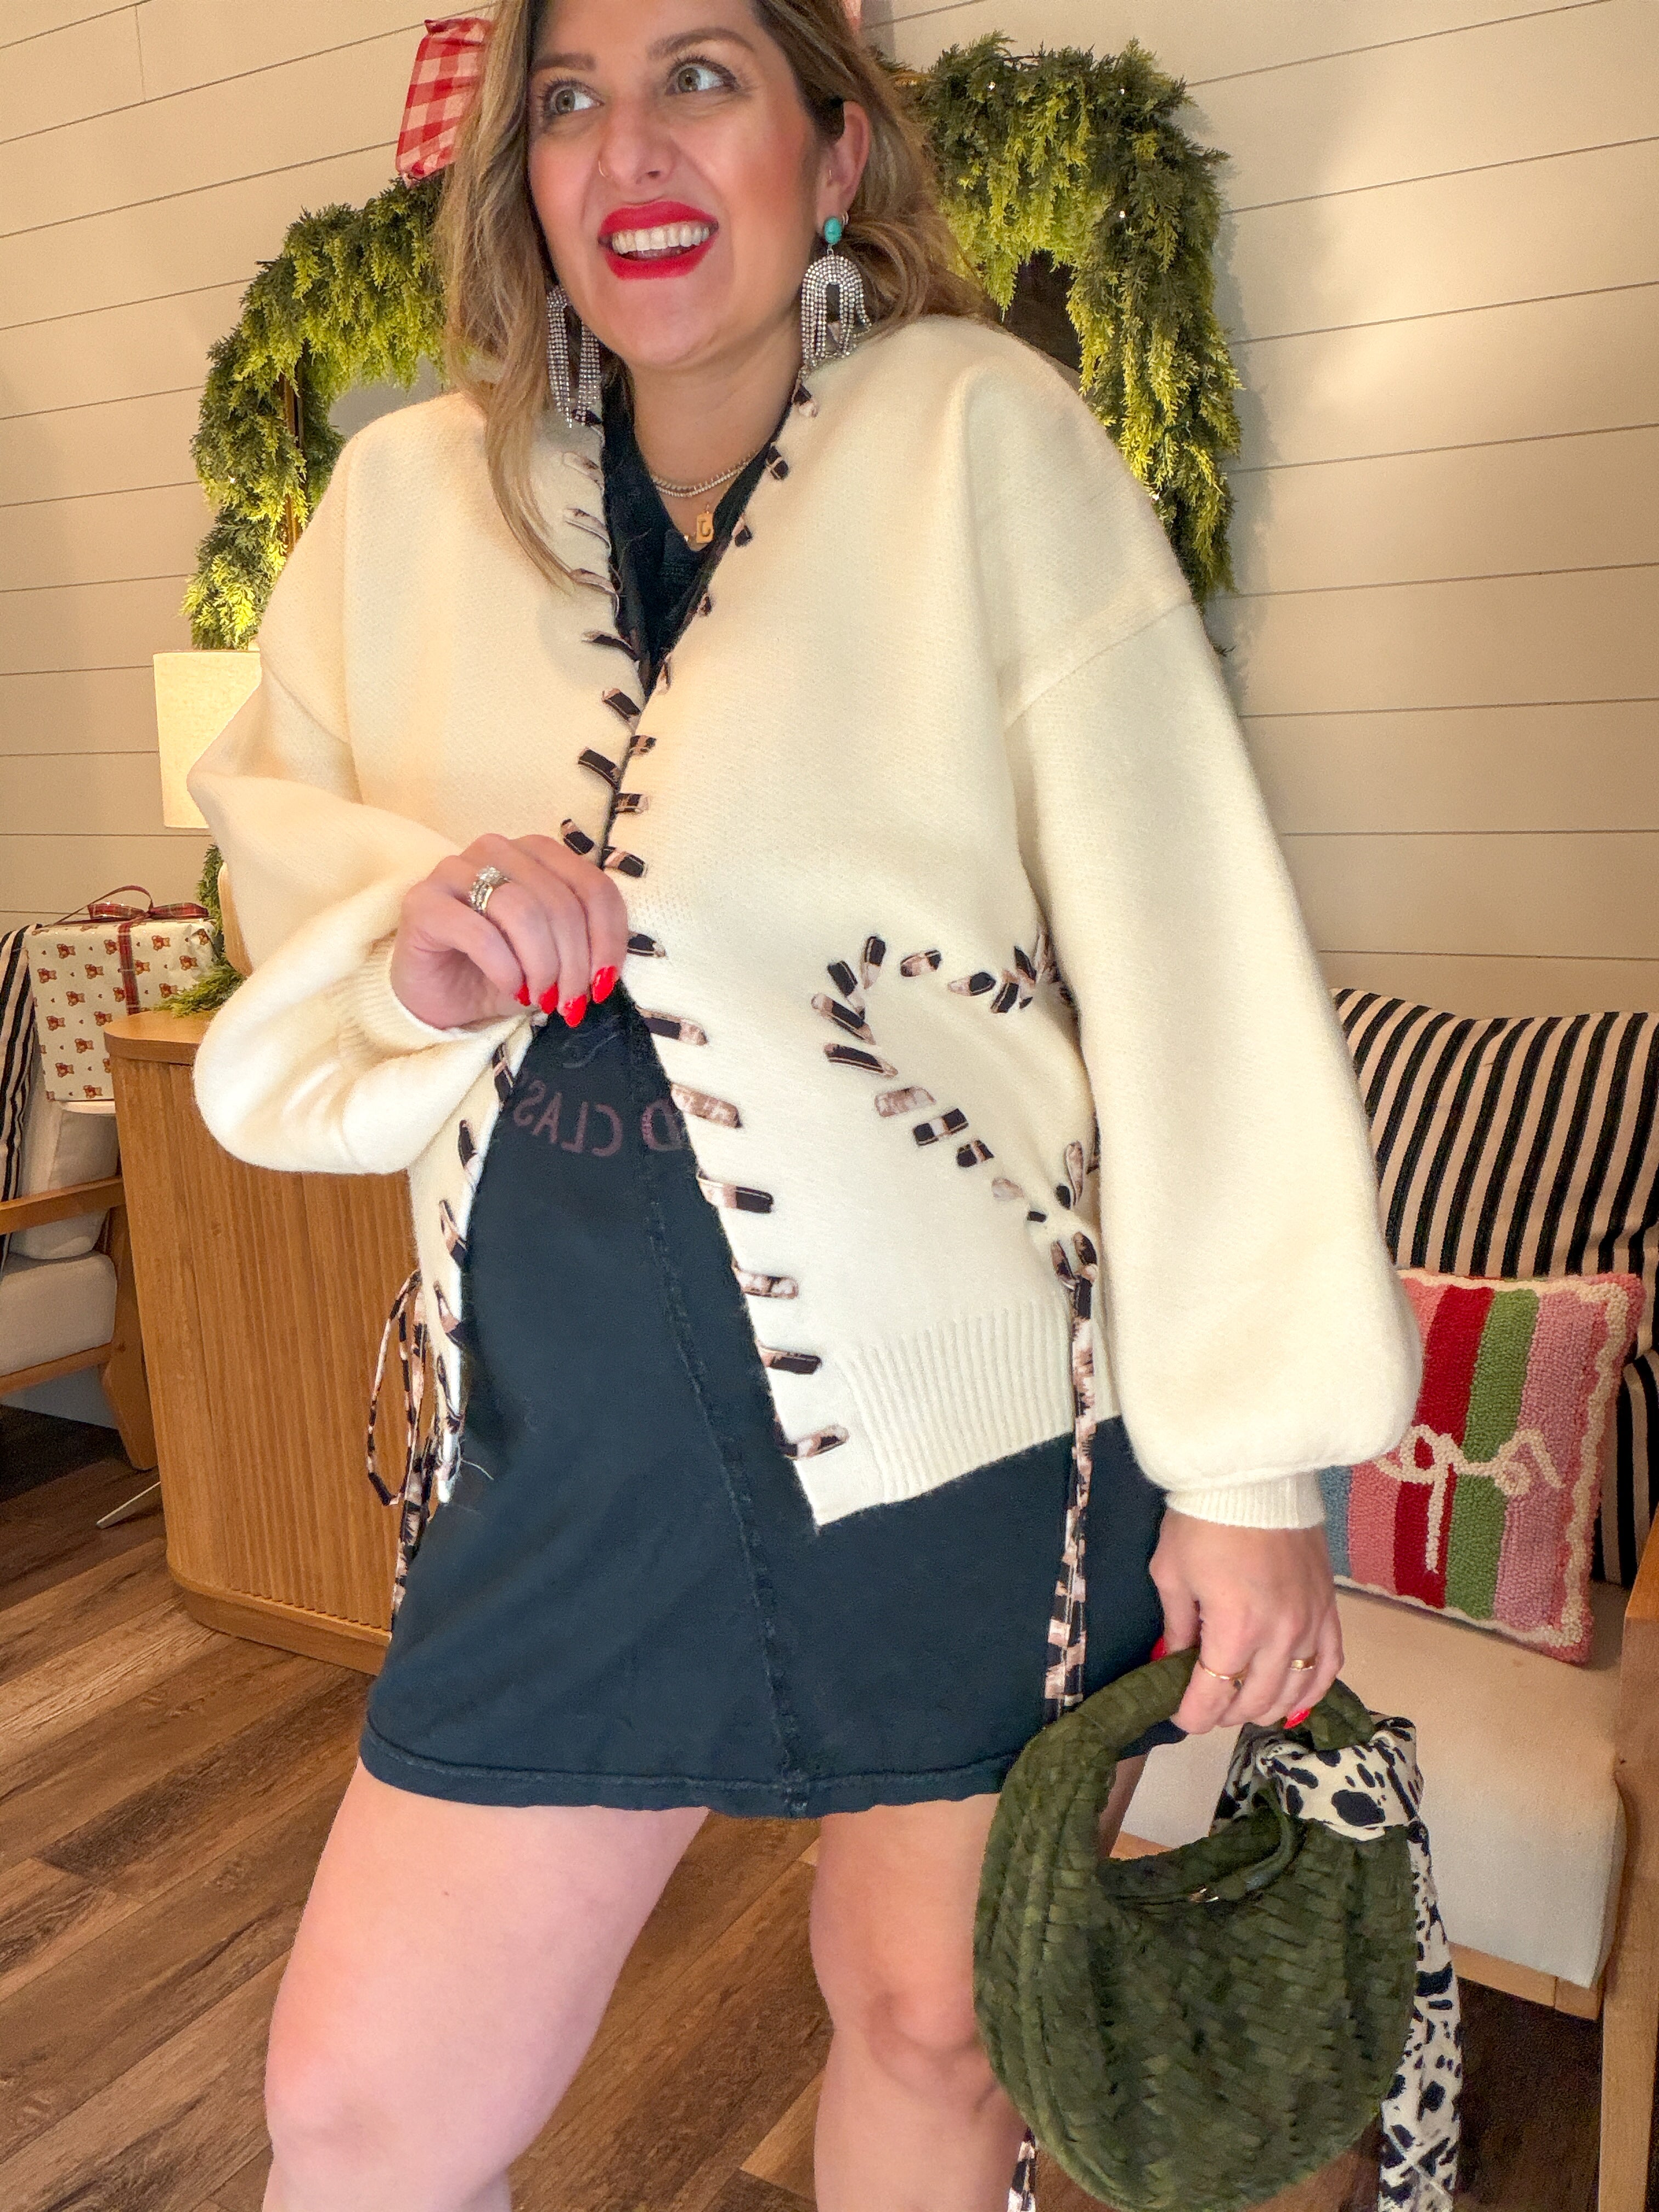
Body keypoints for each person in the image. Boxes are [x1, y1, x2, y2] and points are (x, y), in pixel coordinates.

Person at [185, 2, 1423, 2207]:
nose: (630, 149)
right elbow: (281, 849)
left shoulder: (982, 440)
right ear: (522, 175)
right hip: (567, 1445)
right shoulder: (397, 508)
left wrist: (1247, 1466)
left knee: (932, 2021)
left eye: (702, 79)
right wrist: (408, 936)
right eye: (572, 101)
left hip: (971, 1441)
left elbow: (1187, 951)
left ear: (835, 156)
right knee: (359, 2111)